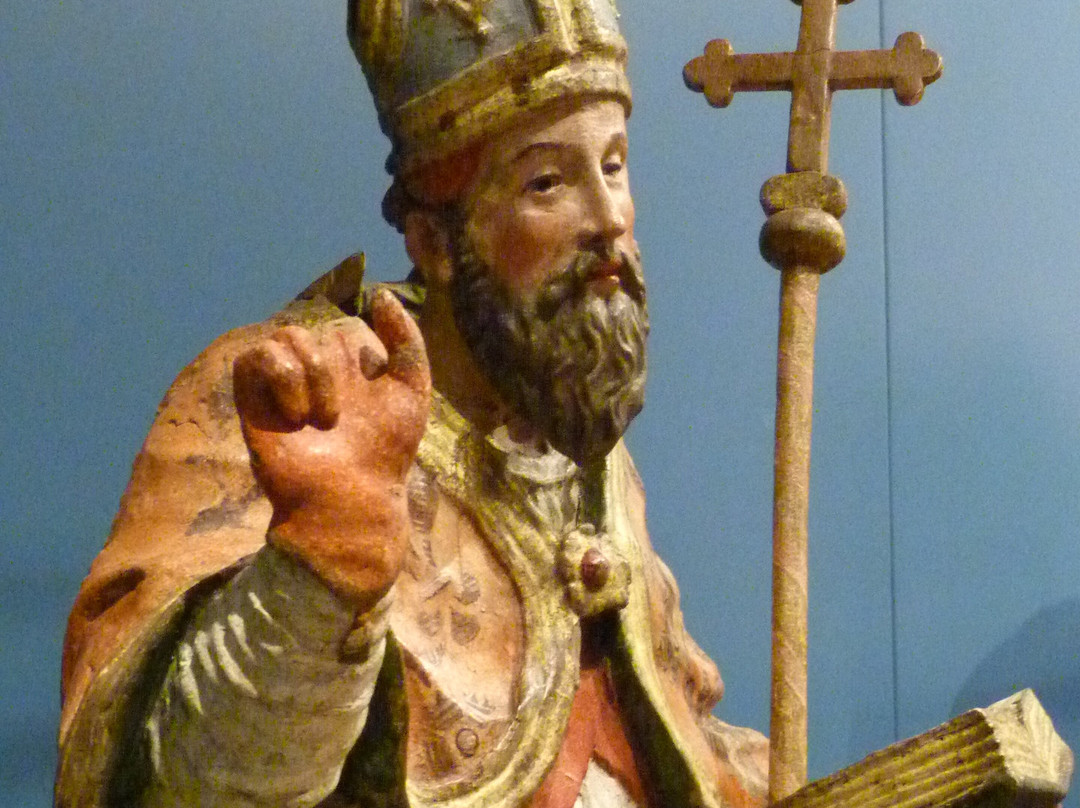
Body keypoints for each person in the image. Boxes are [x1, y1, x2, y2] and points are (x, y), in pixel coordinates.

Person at [56, 1, 769, 806]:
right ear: (435, 242)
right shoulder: (294, 401)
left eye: (613, 165)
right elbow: (174, 784)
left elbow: (665, 733)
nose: (609, 219)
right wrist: (319, 576)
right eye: (548, 182)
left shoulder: (586, 454)